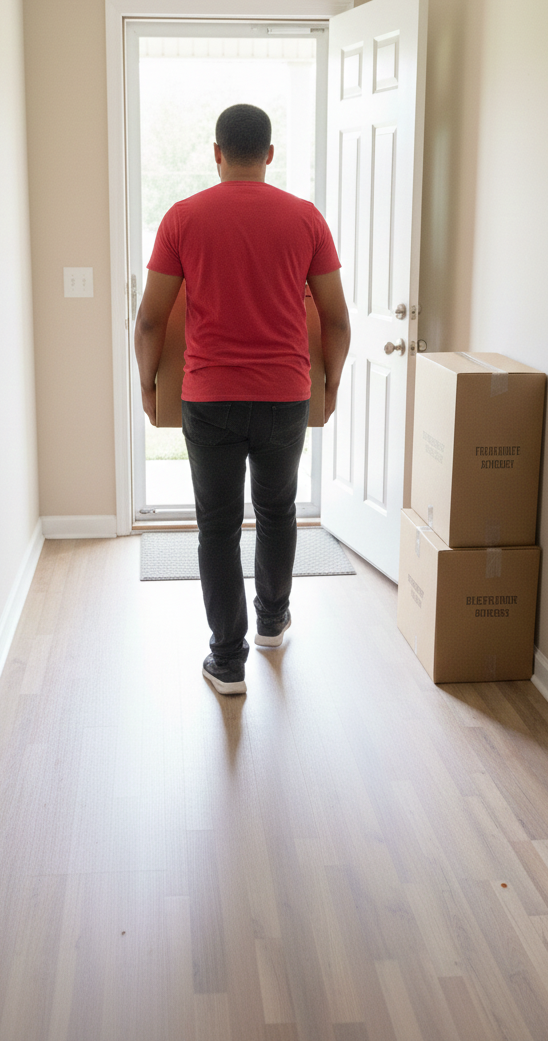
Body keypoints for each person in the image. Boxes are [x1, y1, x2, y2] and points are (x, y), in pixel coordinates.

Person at [134, 103, 350, 695]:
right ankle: (273, 625)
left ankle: (227, 664)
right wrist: (328, 385)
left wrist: (147, 385)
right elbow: (337, 318)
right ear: (271, 155)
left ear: (216, 153)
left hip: (209, 399)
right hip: (286, 397)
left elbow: (151, 322)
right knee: (279, 512)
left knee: (218, 527)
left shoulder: (183, 218)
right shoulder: (305, 219)